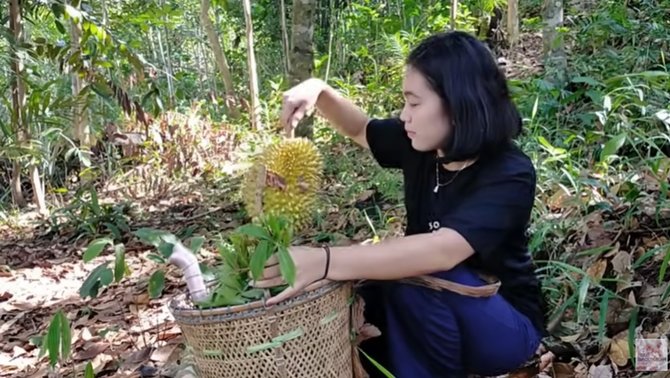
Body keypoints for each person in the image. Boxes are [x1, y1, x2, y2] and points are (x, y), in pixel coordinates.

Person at [253, 30, 548, 377]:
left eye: (414, 102)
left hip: (504, 325)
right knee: (371, 296)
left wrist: (326, 260)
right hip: (430, 306)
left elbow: (442, 252)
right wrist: (317, 90)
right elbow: (360, 129)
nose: (404, 115)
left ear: (456, 103)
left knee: (415, 272)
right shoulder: (419, 145)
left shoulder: (509, 171)